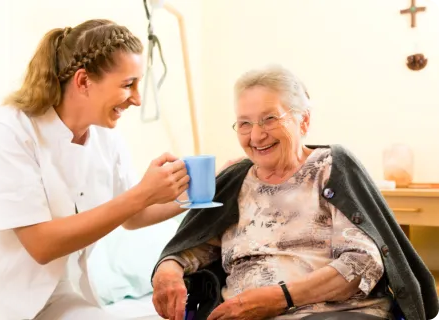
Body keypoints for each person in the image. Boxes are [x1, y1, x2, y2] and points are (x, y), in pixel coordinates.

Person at [0, 19, 193, 320]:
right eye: (127, 84)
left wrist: (204, 189)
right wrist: (143, 194)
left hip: (54, 296)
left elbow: (134, 217)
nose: (137, 98)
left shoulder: (107, 139)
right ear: (83, 82)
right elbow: (41, 244)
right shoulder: (10, 131)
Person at [151, 65, 438, 320]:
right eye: (245, 123)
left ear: (303, 121)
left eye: (269, 119)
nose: (256, 135)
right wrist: (168, 270)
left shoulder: (330, 168)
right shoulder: (235, 180)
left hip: (336, 313)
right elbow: (198, 242)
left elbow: (363, 264)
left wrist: (278, 298)